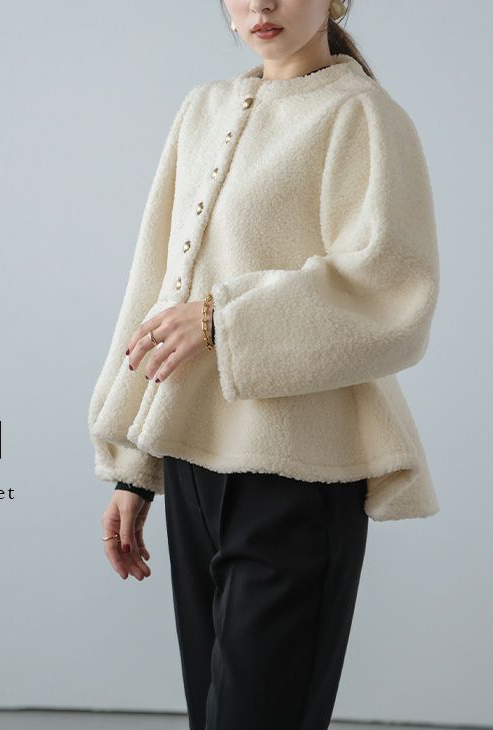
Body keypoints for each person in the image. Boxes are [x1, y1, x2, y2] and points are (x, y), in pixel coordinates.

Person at [87, 1, 440, 728]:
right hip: (191, 462)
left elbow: (392, 288)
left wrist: (223, 319)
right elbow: (157, 286)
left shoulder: (363, 116)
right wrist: (135, 465)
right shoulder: (202, 110)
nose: (261, 4)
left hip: (298, 474)